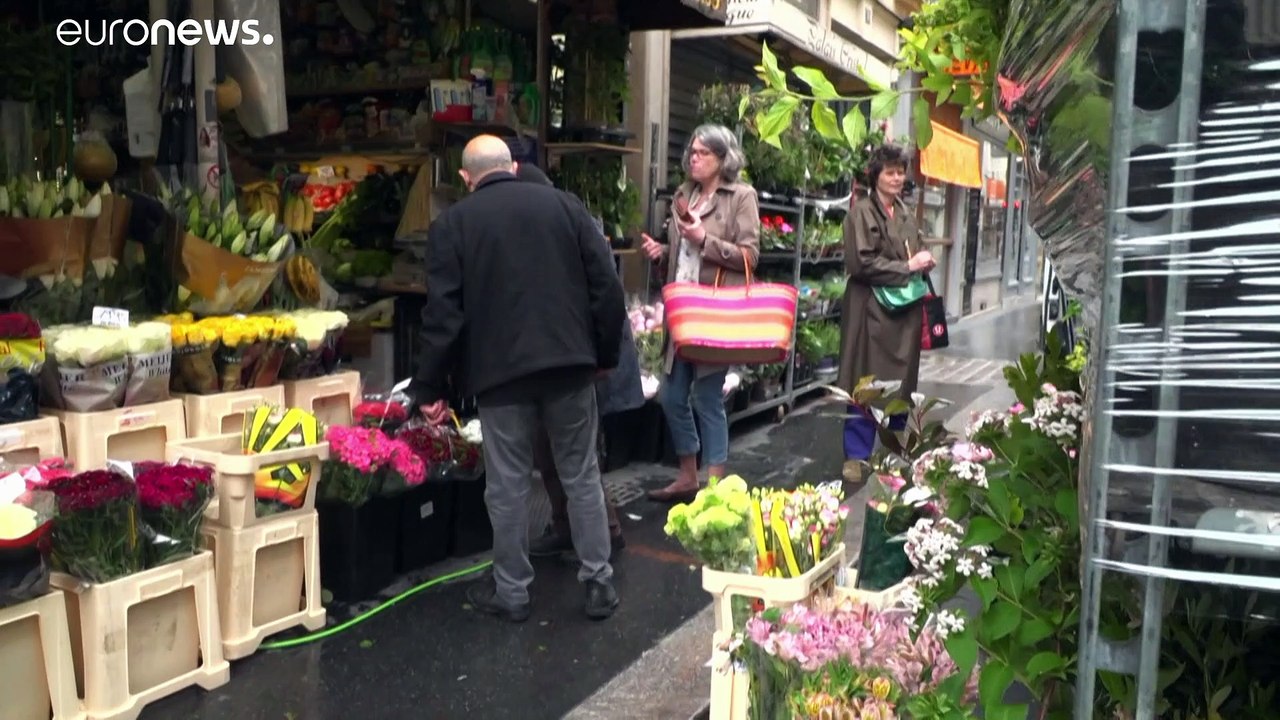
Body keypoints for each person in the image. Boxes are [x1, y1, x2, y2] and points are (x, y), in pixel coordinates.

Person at [412, 135, 627, 623]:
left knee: (507, 485)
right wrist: (603, 355)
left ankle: (512, 592)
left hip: (501, 375)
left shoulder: (453, 225)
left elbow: (442, 317)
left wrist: (430, 387)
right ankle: (599, 583)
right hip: (571, 366)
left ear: (466, 179)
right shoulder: (564, 206)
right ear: (513, 166)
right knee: (581, 474)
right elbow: (607, 288)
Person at [515, 163, 643, 561]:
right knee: (554, 451)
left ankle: (605, 533)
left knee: (577, 456)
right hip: (576, 357)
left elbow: (605, 295)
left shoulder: (569, 224)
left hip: (587, 360)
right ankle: (567, 526)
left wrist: (604, 359)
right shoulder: (559, 221)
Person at [639, 124, 761, 503]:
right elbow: (683, 257)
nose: (693, 158)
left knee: (706, 397)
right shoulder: (684, 195)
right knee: (672, 397)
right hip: (682, 311)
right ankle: (688, 475)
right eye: (691, 151)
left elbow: (750, 257)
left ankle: (716, 485)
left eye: (703, 152)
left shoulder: (741, 196)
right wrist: (663, 251)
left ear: (723, 158)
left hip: (713, 313)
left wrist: (704, 241)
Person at [838, 144, 936, 482]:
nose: (897, 178)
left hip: (903, 310)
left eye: (900, 171)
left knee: (902, 385)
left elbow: (918, 245)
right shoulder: (860, 212)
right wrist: (908, 265)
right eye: (890, 171)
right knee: (863, 382)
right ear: (875, 175)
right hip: (870, 308)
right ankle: (856, 455)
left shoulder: (906, 213)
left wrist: (924, 259)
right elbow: (859, 262)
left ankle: (896, 448)